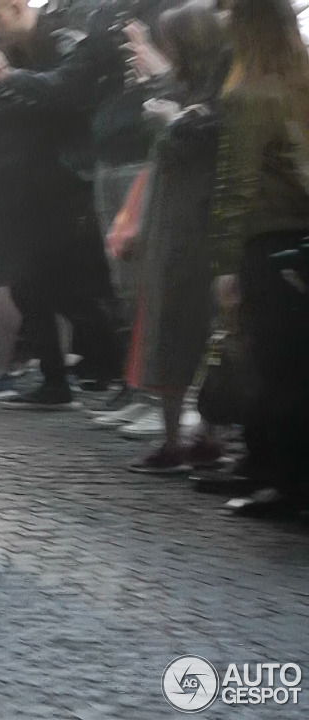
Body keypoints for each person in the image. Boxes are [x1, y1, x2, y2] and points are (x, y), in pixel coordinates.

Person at [0, 0, 123, 409]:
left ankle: (110, 370)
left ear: (16, 8)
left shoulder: (63, 35)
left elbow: (64, 89)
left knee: (75, 290)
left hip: (68, 182)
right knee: (31, 285)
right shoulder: (18, 49)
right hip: (30, 183)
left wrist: (4, 80)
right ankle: (57, 381)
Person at [206, 0, 309, 515]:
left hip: (265, 240)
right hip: (302, 240)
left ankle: (279, 481)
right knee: (297, 365)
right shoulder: (300, 83)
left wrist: (225, 262)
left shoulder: (248, 94)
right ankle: (281, 475)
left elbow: (237, 185)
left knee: (271, 365)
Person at [119, 1, 229, 473]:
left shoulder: (211, 100)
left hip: (190, 226)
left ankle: (183, 439)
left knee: (179, 329)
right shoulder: (205, 90)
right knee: (190, 331)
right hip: (184, 222)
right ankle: (199, 436)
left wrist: (174, 123)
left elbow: (198, 144)